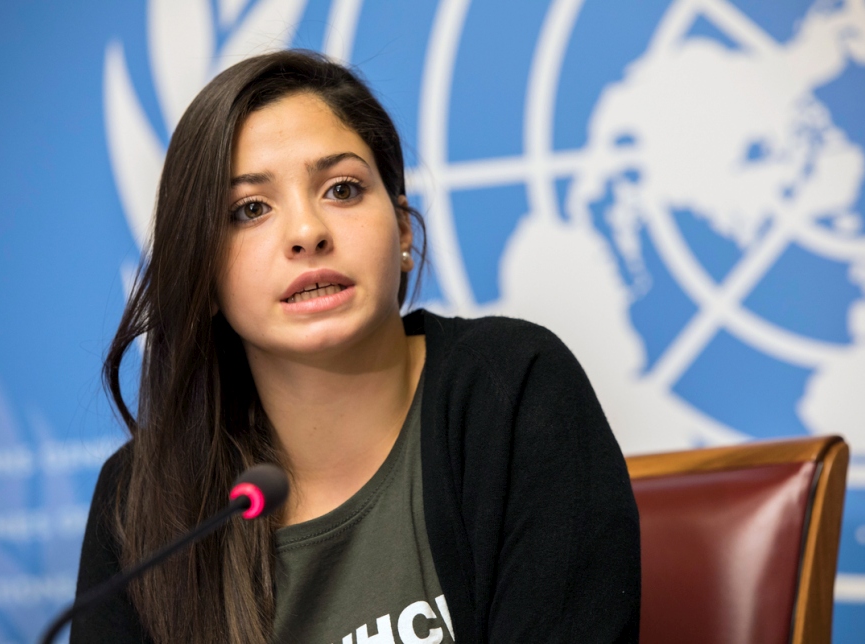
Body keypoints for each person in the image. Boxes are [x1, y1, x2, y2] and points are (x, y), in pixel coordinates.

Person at [71, 50, 640, 644]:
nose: (307, 232)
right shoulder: (143, 499)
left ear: (401, 231)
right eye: (250, 210)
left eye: (342, 189)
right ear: (203, 276)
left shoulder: (512, 390)